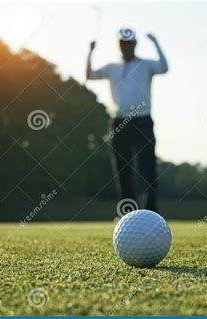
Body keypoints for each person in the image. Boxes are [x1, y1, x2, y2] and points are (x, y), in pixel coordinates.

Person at [86, 26, 168, 212]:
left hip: (143, 120)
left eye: (129, 43)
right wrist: (90, 52)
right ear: (118, 45)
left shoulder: (147, 64)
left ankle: (150, 211)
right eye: (123, 43)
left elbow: (164, 67)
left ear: (135, 44)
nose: (126, 46)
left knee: (147, 168)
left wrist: (156, 43)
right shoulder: (112, 68)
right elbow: (90, 75)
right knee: (123, 170)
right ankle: (127, 213)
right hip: (119, 121)